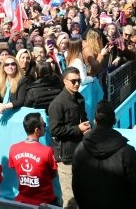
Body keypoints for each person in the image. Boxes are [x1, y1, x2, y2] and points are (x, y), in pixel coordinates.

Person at [72, 100, 136, 209]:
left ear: (95, 121)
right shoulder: (127, 151)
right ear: (114, 121)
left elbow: (76, 185)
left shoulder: (80, 149)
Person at [48, 66, 91, 208]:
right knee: (69, 197)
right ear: (65, 81)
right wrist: (77, 129)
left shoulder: (79, 98)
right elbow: (55, 130)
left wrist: (85, 129)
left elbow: (82, 119)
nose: (77, 84)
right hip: (66, 157)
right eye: (73, 81)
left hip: (80, 152)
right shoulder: (57, 104)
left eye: (79, 81)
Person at [8, 112, 58, 206]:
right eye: (44, 125)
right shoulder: (47, 151)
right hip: (45, 202)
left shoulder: (13, 148)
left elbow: (16, 169)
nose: (45, 127)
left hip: (22, 200)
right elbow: (54, 174)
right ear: (37, 130)